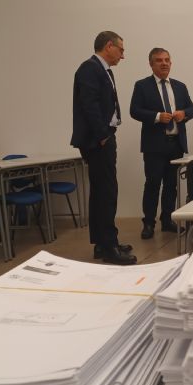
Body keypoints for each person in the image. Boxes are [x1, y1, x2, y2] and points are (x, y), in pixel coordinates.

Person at [70, 31, 136, 265]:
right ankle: (109, 248)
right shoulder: (90, 68)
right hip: (98, 140)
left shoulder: (102, 70)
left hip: (102, 137)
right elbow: (89, 104)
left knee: (101, 192)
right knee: (107, 191)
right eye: (121, 49)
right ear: (109, 46)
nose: (122, 55)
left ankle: (102, 242)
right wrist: (102, 135)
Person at [130, 48, 193, 240]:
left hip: (176, 143)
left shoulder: (180, 86)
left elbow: (192, 108)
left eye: (167, 60)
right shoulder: (142, 86)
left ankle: (167, 220)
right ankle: (148, 223)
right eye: (159, 60)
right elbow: (134, 111)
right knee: (152, 184)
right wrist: (158, 116)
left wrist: (184, 114)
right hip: (154, 145)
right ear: (151, 64)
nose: (164, 63)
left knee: (171, 185)